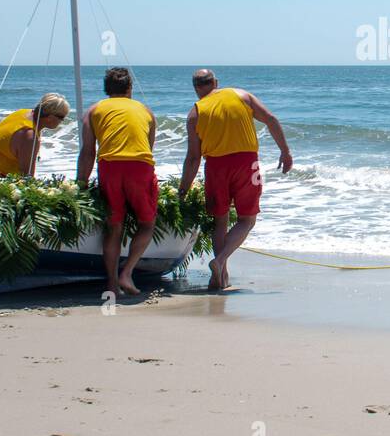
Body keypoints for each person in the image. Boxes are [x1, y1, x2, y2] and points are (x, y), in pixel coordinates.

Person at [179, 69, 292, 291]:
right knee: (246, 220)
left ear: (196, 88)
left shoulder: (195, 113)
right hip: (246, 163)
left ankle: (220, 276)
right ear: (216, 82)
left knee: (220, 221)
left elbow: (193, 157)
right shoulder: (241, 96)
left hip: (215, 167)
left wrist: (183, 189)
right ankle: (220, 263)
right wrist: (285, 152)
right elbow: (271, 119)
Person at [76, 68, 156, 297]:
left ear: (106, 89)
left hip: (109, 167)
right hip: (139, 166)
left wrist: (80, 185)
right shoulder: (146, 111)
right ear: (129, 88)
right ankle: (127, 272)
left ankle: (111, 282)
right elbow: (148, 148)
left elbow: (88, 152)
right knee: (147, 223)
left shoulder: (94, 110)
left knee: (114, 225)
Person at [0, 93, 71, 177]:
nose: (62, 121)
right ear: (50, 117)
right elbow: (27, 175)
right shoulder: (29, 136)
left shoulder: (23, 112)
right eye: (62, 117)